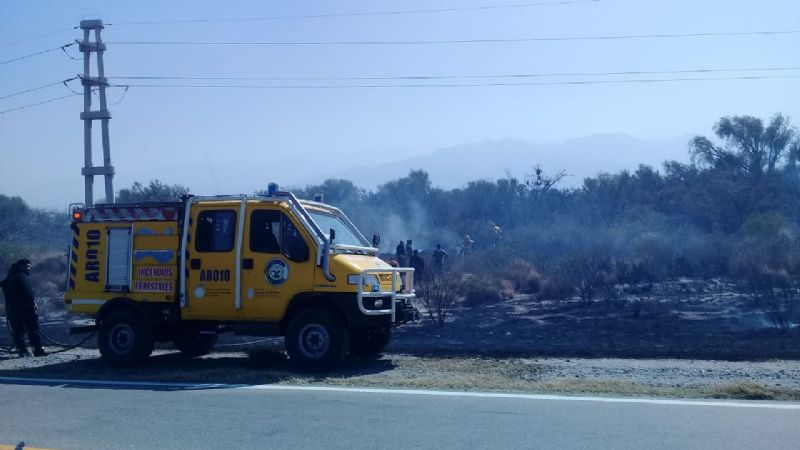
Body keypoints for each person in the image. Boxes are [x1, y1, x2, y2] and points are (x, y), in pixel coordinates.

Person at [1, 259, 45, 357]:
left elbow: (4, 287)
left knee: (17, 331)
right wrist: (33, 303)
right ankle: (38, 350)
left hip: (12, 309)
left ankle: (23, 351)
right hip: (26, 308)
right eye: (27, 266)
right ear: (21, 266)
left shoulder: (10, 277)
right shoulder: (22, 277)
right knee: (33, 330)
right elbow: (28, 292)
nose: (29, 269)